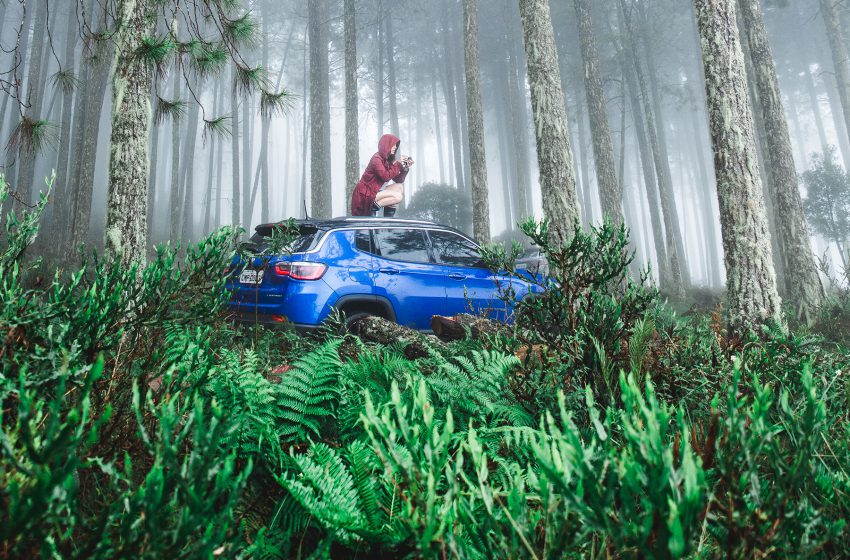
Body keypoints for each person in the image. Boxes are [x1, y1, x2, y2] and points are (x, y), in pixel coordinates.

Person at [350, 133, 414, 217]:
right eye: (393, 145)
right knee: (398, 197)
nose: (395, 147)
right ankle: (373, 207)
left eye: (396, 145)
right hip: (365, 194)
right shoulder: (376, 159)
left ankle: (388, 220)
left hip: (375, 191)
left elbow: (399, 180)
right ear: (386, 145)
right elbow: (385, 176)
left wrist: (405, 167)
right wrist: (397, 164)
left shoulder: (388, 159)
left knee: (399, 187)